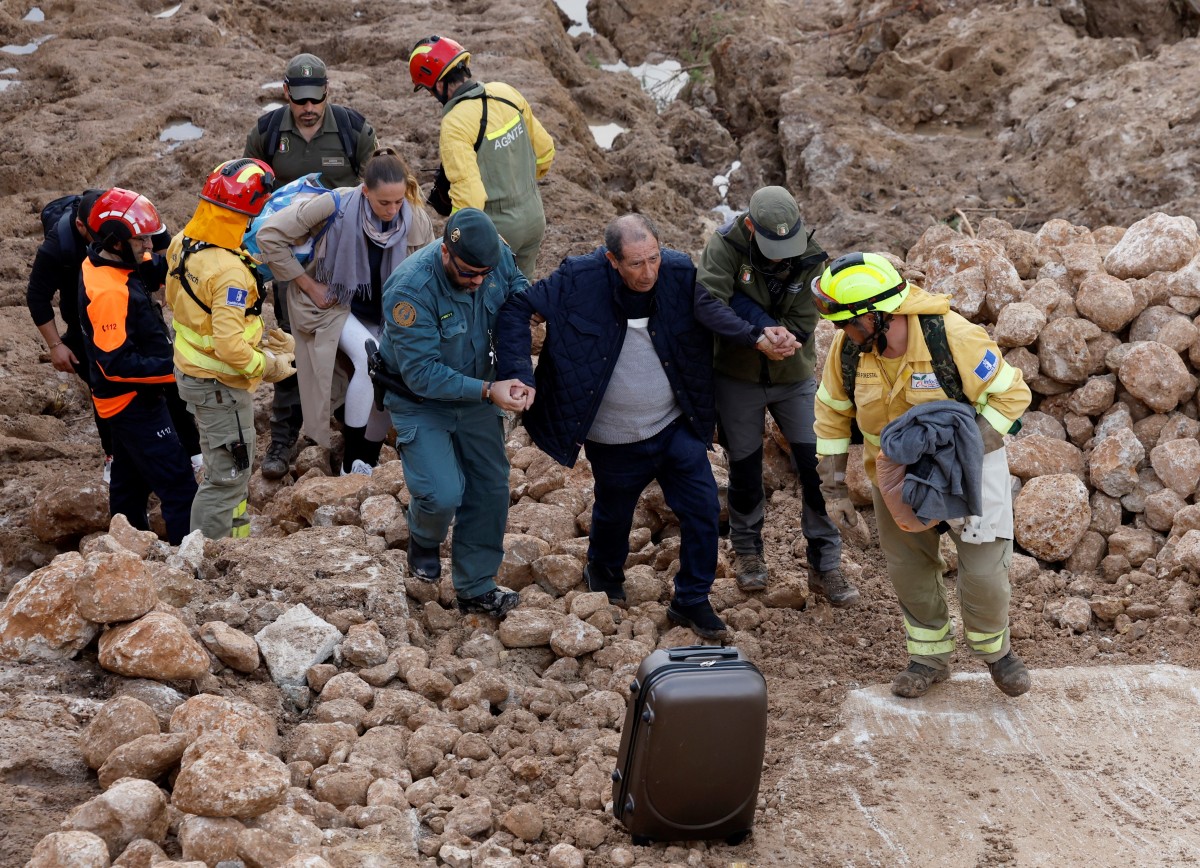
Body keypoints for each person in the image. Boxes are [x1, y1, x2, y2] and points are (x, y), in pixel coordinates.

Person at [495, 214, 726, 641]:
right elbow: (517, 308)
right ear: (612, 260)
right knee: (614, 512)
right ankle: (603, 572)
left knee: (704, 509)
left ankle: (692, 599)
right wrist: (517, 374)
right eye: (636, 264)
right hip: (613, 436)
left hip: (674, 425)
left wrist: (759, 334)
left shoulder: (680, 272)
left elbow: (724, 304)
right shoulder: (579, 278)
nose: (648, 272)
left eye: (653, 259)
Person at [812, 252, 1032, 698]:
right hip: (893, 480)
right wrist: (833, 490)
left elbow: (1012, 396)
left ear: (879, 315)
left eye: (849, 323)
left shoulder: (954, 337)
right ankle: (928, 658)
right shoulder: (850, 350)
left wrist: (964, 451)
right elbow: (832, 414)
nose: (843, 334)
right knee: (909, 570)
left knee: (985, 574)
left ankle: (997, 653)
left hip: (968, 471)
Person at [693, 186, 857, 604]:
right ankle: (748, 553)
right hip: (736, 375)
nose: (782, 254)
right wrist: (755, 335)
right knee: (745, 468)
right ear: (750, 226)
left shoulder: (810, 255)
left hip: (793, 375)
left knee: (817, 464)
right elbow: (708, 302)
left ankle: (826, 564)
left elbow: (804, 316)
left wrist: (783, 338)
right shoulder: (726, 245)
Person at [378, 208, 530, 617]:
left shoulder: (494, 255)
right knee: (443, 493)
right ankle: (424, 537)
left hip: (479, 393)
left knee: (490, 488)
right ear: (446, 252)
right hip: (421, 400)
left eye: (485, 274)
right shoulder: (410, 291)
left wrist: (517, 371)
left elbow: (518, 295)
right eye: (468, 274)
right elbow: (422, 374)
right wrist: (488, 390)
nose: (478, 281)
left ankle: (476, 586)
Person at [257, 147, 434, 475]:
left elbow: (428, 276)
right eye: (384, 203)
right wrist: (310, 286)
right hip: (330, 304)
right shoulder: (335, 205)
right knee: (373, 359)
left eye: (399, 202)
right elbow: (270, 236)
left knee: (390, 375)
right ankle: (351, 460)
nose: (392, 210)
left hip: (385, 314)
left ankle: (366, 458)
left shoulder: (416, 220)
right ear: (365, 191)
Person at [245, 52, 380, 480]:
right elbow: (249, 195)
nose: (307, 109)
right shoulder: (267, 133)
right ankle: (284, 438)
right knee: (292, 344)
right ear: (286, 93)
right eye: (299, 100)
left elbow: (377, 189)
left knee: (350, 343)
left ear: (327, 92)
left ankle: (348, 429)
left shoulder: (353, 130)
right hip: (289, 262)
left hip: (346, 262)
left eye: (314, 100)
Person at [165, 158, 296, 540]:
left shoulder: (184, 241)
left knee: (226, 468)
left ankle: (235, 544)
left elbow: (186, 306)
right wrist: (269, 364)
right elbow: (227, 345)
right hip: (220, 387)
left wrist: (259, 335)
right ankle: (209, 558)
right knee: (227, 476)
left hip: (194, 376)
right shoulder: (230, 271)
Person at [27, 189, 196, 482]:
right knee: (106, 391)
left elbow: (162, 246)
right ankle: (115, 457)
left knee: (167, 382)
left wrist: (159, 278)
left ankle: (189, 449)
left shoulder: (119, 222)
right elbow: (37, 296)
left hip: (134, 310)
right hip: (86, 324)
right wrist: (56, 345)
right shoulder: (59, 247)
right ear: (82, 227)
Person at [78, 188, 198, 544]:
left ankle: (126, 548)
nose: (148, 246)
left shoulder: (102, 262)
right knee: (178, 486)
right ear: (116, 242)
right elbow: (115, 364)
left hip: (120, 403)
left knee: (129, 485)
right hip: (133, 402)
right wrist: (177, 366)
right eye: (140, 240)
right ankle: (186, 564)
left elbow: (145, 273)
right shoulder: (109, 294)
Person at [409, 35, 555, 278]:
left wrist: (455, 239)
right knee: (520, 297)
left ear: (436, 85)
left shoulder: (455, 123)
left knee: (482, 301)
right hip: (534, 217)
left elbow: (470, 197)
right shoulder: (505, 92)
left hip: (496, 231)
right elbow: (545, 152)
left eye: (427, 89)